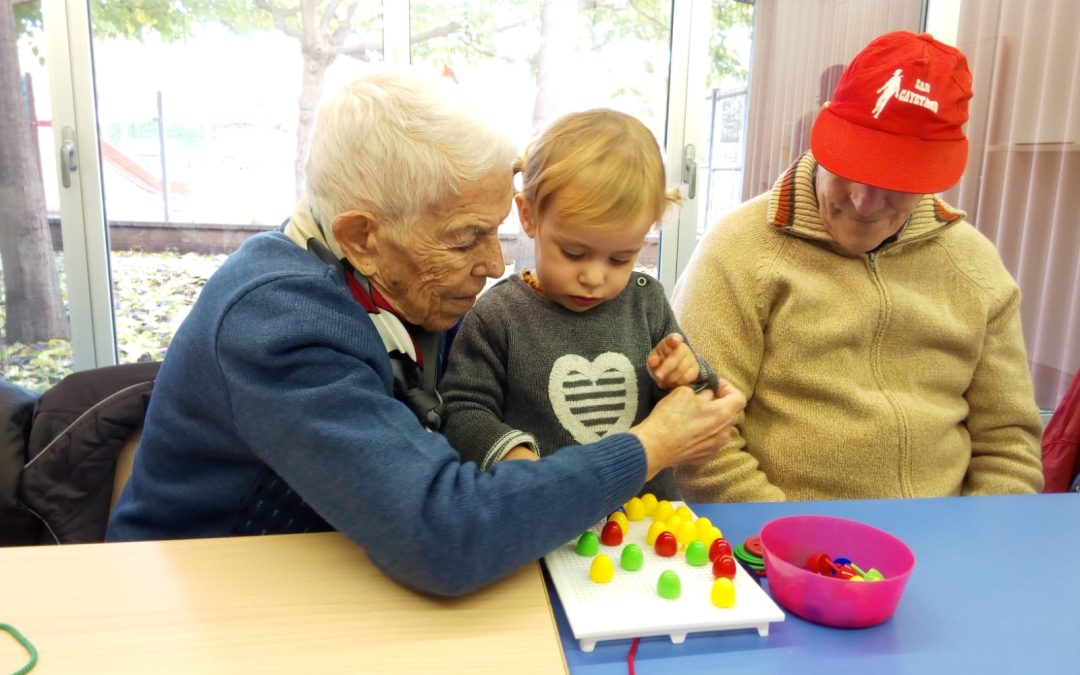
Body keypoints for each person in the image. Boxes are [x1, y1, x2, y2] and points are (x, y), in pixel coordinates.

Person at [106, 68, 743, 597]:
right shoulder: (277, 325)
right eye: (468, 237)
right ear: (363, 237)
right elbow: (442, 535)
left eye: (496, 232)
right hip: (202, 599)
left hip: (332, 569)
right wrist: (647, 447)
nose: (496, 265)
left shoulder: (394, 277)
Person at [672, 31, 1044, 502]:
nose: (865, 203)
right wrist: (784, 544)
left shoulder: (974, 266)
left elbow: (1009, 445)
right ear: (825, 132)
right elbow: (702, 436)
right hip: (778, 543)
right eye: (853, 165)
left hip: (943, 538)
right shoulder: (739, 250)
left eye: (899, 180)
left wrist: (980, 538)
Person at [439, 109, 739, 500]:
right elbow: (462, 409)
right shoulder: (498, 315)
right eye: (574, 252)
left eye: (620, 259)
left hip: (647, 526)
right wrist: (518, 459)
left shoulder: (645, 301)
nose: (595, 277)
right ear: (529, 216)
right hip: (545, 519)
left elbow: (697, 405)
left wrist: (687, 375)